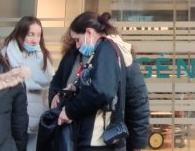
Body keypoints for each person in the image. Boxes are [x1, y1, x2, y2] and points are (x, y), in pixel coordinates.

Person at [48, 11, 133, 151]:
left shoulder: (105, 48)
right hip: (96, 137)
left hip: (97, 138)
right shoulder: (104, 50)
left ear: (89, 32)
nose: (76, 46)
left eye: (77, 39)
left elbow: (101, 91)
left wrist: (69, 111)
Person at [2, 16, 57, 149]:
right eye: (30, 34)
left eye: (38, 35)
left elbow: (50, 80)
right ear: (20, 33)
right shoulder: (7, 54)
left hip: (38, 116)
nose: (35, 40)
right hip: (14, 115)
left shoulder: (41, 55)